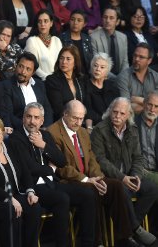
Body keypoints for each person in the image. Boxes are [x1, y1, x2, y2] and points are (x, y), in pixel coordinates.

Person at [48, 100, 148, 247]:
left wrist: (98, 177)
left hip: (89, 178)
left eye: (81, 118)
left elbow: (92, 159)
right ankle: (96, 242)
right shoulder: (53, 132)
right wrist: (86, 179)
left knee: (115, 186)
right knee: (92, 190)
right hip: (69, 181)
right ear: (65, 114)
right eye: (74, 118)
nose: (78, 122)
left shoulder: (82, 132)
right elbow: (61, 167)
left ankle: (124, 237)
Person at [9, 102, 97, 247]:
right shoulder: (16, 138)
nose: (32, 121)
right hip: (34, 186)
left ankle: (88, 243)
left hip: (52, 183)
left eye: (36, 118)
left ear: (42, 120)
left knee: (87, 193)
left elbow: (61, 161)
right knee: (61, 199)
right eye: (29, 117)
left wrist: (43, 145)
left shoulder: (46, 135)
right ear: (23, 118)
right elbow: (29, 168)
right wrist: (50, 169)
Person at [91, 97, 158, 246]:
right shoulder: (99, 130)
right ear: (110, 112)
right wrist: (122, 177)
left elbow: (138, 157)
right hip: (111, 180)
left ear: (128, 115)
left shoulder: (132, 130)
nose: (117, 116)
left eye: (122, 113)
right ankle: (132, 230)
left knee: (153, 188)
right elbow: (100, 161)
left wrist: (135, 176)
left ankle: (134, 227)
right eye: (115, 112)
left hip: (129, 176)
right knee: (122, 190)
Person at [0, 117, 41, 247]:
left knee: (34, 207)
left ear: (3, 133)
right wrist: (8, 198)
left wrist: (30, 191)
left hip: (17, 194)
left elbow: (25, 172)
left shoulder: (12, 146)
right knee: (13, 211)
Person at [3, 52, 53, 129]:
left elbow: (47, 109)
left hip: (41, 130)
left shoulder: (39, 85)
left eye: (28, 69)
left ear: (33, 72)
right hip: (20, 130)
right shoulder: (7, 86)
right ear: (16, 66)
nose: (23, 72)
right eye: (21, 66)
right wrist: (29, 128)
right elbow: (9, 115)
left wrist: (45, 127)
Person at [45, 45, 86, 121]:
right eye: (61, 58)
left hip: (80, 121)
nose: (64, 62)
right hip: (62, 122)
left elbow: (86, 104)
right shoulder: (52, 80)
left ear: (75, 62)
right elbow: (58, 108)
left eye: (68, 59)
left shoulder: (80, 79)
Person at [117, 43, 158, 114]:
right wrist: (150, 105)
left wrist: (138, 100)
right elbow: (125, 106)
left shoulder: (156, 77)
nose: (136, 59)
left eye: (141, 57)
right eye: (135, 55)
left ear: (149, 61)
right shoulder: (123, 77)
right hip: (130, 120)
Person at [24, 9, 63, 81]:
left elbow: (62, 62)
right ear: (37, 24)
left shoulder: (57, 40)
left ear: (51, 23)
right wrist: (48, 78)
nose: (42, 24)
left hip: (59, 79)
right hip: (41, 81)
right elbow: (33, 65)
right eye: (39, 21)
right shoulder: (32, 41)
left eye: (46, 21)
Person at [90, 7, 129, 77]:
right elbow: (95, 63)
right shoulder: (94, 37)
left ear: (117, 22)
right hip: (101, 77)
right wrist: (116, 80)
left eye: (111, 18)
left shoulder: (123, 37)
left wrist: (123, 78)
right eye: (105, 17)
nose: (107, 20)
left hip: (120, 78)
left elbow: (125, 62)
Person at [84, 52, 118, 130]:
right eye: (95, 65)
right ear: (91, 67)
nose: (98, 69)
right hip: (95, 127)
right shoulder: (84, 85)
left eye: (102, 67)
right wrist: (89, 127)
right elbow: (88, 110)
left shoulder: (112, 87)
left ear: (107, 72)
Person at [60, 10, 93, 74]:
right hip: (67, 74)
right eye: (72, 19)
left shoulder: (87, 39)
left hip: (86, 76)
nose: (75, 23)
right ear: (69, 21)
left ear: (84, 24)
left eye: (79, 20)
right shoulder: (62, 38)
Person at [135, 91, 158, 186]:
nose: (152, 109)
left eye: (156, 106)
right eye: (150, 105)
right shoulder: (133, 123)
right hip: (140, 172)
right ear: (144, 104)